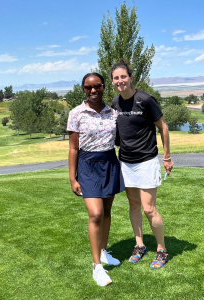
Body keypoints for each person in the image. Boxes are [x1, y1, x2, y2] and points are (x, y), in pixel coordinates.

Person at [111, 59, 174, 269]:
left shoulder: (145, 100)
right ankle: (139, 246)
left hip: (146, 161)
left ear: (130, 77)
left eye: (123, 76)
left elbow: (163, 127)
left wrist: (166, 157)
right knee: (134, 205)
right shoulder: (115, 103)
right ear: (113, 81)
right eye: (116, 78)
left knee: (149, 209)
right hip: (126, 163)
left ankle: (161, 249)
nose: (120, 81)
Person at [67, 72, 125, 286]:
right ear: (83, 89)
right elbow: (73, 148)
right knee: (96, 213)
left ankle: (103, 252)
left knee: (107, 211)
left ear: (103, 87)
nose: (93, 91)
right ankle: (97, 267)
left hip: (110, 162)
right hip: (87, 165)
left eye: (97, 86)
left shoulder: (113, 112)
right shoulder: (76, 113)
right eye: (88, 87)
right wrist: (72, 178)